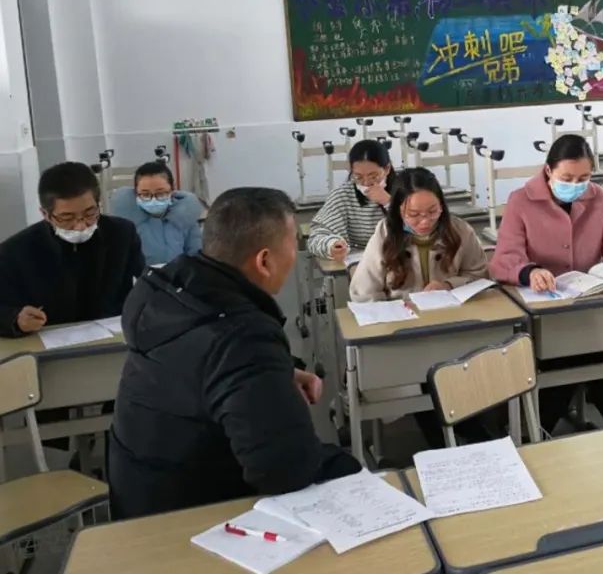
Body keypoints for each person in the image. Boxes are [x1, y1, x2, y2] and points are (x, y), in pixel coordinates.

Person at [108, 187, 360, 519]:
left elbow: (199, 367)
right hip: (193, 511)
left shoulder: (166, 289)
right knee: (349, 474)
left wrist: (277, 373)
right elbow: (285, 469)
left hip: (136, 490)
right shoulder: (244, 336)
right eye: (293, 244)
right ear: (264, 261)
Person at [489, 135, 603, 432]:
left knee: (587, 356)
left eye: (583, 178)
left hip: (586, 302)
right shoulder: (521, 200)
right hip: (542, 308)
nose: (576, 185)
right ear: (548, 171)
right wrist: (529, 272)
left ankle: (547, 432)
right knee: (582, 358)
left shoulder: (598, 197)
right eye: (567, 178)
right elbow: (505, 257)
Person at [0, 162, 144, 337]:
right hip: (47, 340)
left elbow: (146, 282)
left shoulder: (122, 234)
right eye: (67, 218)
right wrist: (15, 320)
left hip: (115, 336)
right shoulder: (15, 252)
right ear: (45, 214)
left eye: (90, 213)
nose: (80, 225)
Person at [350, 167, 488, 301]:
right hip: (402, 313)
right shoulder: (385, 232)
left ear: (442, 205)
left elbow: (480, 277)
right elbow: (363, 293)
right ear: (398, 210)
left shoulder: (460, 230)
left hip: (452, 312)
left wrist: (449, 285)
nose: (425, 222)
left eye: (432, 211)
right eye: (414, 214)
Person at [308, 140, 394, 266]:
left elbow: (420, 229)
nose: (366, 183)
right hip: (361, 264)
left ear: (387, 169)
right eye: (358, 177)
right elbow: (317, 235)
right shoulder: (343, 195)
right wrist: (332, 245)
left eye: (373, 176)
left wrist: (389, 202)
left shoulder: (405, 190)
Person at [110, 161, 203, 266]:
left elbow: (196, 256)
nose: (153, 200)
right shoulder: (124, 223)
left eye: (161, 193)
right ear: (136, 193)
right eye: (145, 194)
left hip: (179, 274)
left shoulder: (186, 217)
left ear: (172, 190)